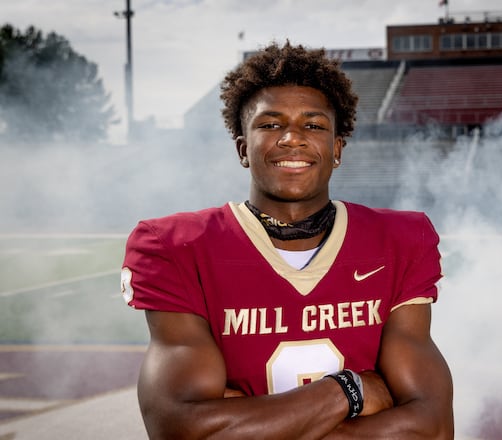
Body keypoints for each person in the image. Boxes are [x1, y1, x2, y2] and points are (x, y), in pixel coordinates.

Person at [120, 41, 454, 439]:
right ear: (243, 149)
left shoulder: (400, 241)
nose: (292, 138)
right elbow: (181, 429)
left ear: (337, 149)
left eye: (313, 125)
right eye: (270, 124)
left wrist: (253, 425)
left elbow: (433, 428)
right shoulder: (175, 248)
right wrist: (350, 391)